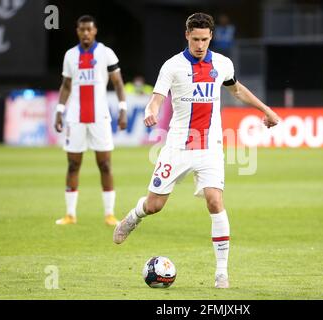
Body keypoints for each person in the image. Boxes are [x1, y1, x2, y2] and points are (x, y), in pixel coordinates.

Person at [113, 12, 280, 288]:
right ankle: (133, 217)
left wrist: (265, 110)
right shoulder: (172, 66)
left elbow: (236, 90)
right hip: (178, 145)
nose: (200, 45)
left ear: (211, 37)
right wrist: (150, 111)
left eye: (204, 39)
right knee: (154, 205)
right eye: (195, 39)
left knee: (215, 201)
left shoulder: (223, 64)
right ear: (186, 35)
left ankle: (222, 273)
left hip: (210, 147)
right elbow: (156, 99)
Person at [54, 15, 128, 226]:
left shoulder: (105, 53)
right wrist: (59, 110)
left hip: (100, 117)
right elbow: (66, 85)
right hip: (75, 117)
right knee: (72, 165)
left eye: (89, 29)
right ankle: (70, 214)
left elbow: (119, 84)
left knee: (105, 164)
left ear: (95, 31)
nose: (86, 33)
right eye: (82, 29)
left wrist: (123, 110)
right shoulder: (70, 55)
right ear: (77, 31)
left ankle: (109, 214)